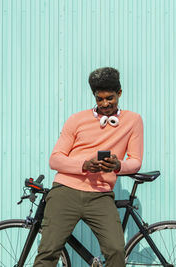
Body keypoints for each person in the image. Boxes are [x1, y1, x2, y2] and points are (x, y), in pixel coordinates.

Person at [33, 67, 144, 267]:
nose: (105, 104)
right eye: (99, 99)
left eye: (110, 98)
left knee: (117, 251)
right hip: (65, 191)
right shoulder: (76, 119)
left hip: (101, 194)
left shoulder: (133, 120)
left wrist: (118, 166)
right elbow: (55, 160)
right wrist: (85, 165)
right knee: (48, 252)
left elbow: (135, 161)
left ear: (119, 93)